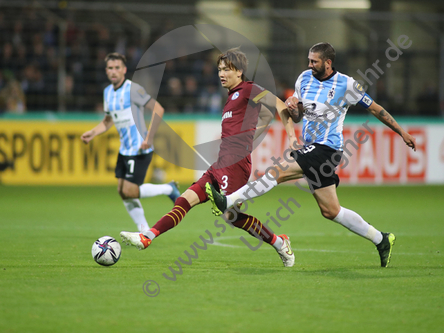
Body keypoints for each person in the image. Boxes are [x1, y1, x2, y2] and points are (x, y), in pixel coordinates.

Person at [205, 42, 417, 268]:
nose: (309, 64)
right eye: (309, 60)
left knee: (277, 172)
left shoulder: (346, 84)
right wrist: (294, 108)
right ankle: (382, 239)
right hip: (312, 147)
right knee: (331, 211)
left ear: (328, 63)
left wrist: (401, 132)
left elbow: (375, 108)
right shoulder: (304, 79)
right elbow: (297, 116)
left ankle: (228, 200)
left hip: (328, 149)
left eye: (314, 61)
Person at [120, 47, 296, 267]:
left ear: (239, 71)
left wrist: (291, 138)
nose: (221, 73)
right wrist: (252, 132)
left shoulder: (250, 89)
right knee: (185, 199)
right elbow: (266, 115)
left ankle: (279, 243)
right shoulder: (232, 96)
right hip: (220, 163)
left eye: (227, 69)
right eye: (219, 69)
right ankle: (148, 236)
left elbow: (277, 106)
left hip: (236, 165)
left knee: (232, 217)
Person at [81, 52, 180, 234]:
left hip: (139, 149)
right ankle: (143, 230)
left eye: (117, 68)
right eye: (110, 68)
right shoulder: (108, 92)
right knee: (122, 191)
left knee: (130, 190)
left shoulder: (133, 89)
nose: (114, 71)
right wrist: (92, 133)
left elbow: (158, 109)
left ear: (124, 70)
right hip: (125, 150)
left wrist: (149, 138)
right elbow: (108, 120)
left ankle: (168, 188)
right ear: (106, 71)